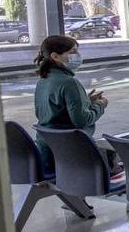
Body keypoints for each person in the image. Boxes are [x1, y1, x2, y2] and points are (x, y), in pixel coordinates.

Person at [32, 35, 109, 171]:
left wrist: (86, 101)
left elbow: (54, 111)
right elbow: (82, 120)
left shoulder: (43, 81)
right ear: (55, 56)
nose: (77, 56)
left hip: (47, 150)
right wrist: (100, 105)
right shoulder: (69, 83)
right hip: (69, 153)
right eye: (72, 52)